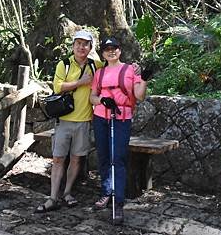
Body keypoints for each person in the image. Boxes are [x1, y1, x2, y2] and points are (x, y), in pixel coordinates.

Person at [35, 29, 102, 213]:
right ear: (73, 46)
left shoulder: (96, 65)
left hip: (84, 121)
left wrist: (134, 69)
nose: (81, 47)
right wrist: (81, 82)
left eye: (85, 44)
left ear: (90, 48)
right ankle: (52, 197)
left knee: (76, 159)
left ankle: (67, 192)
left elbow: (113, 66)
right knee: (58, 159)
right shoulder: (63, 65)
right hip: (64, 120)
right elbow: (58, 87)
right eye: (78, 43)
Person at [89, 36, 149, 225]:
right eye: (107, 49)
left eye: (114, 48)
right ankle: (106, 192)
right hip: (101, 117)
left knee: (119, 158)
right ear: (103, 53)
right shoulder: (99, 73)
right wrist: (101, 101)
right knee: (104, 156)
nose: (111, 51)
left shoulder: (130, 70)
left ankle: (119, 201)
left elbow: (139, 96)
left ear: (120, 50)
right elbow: (92, 96)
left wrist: (145, 79)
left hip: (121, 118)